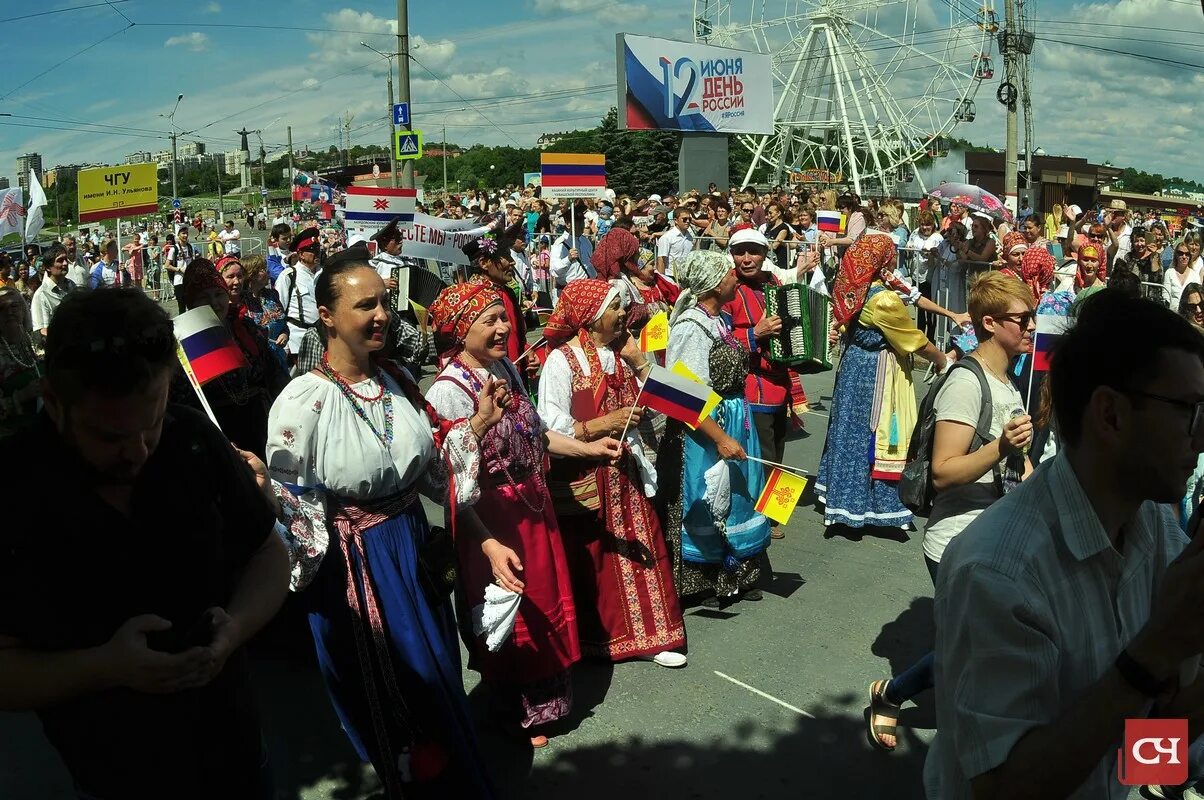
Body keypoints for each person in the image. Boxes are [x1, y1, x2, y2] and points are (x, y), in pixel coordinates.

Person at [0, 287, 289, 798]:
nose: (137, 452)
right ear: (52, 402)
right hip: (117, 774)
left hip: (237, 751)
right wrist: (107, 666)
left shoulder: (193, 439)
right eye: (108, 436)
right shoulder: (15, 490)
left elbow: (268, 552)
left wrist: (236, 627)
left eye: (152, 422)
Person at [924, 291, 1204, 800]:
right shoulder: (998, 573)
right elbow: (1001, 790)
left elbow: (1137, 760)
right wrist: (1155, 652)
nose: (1200, 437)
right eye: (1188, 410)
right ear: (1111, 415)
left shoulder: (1156, 531)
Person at [265, 249, 497, 797]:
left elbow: (432, 467)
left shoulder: (396, 379)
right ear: (326, 315)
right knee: (401, 696)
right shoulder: (302, 403)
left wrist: (478, 426)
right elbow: (294, 506)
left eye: (385, 303)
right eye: (364, 304)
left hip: (413, 545)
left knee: (439, 676)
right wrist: (267, 492)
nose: (382, 315)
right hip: (359, 565)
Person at [425, 281, 619, 747]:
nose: (502, 327)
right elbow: (447, 477)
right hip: (491, 518)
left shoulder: (507, 369)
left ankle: (541, 699)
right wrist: (485, 539)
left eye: (502, 317)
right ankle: (515, 708)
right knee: (510, 611)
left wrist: (588, 448)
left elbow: (539, 435)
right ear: (459, 328)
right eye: (487, 320)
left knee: (543, 602)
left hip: (534, 507)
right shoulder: (448, 391)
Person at [867, 272, 1035, 750]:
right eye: (1021, 319)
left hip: (994, 537)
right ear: (990, 323)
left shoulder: (1005, 377)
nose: (1029, 327)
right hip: (959, 542)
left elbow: (1015, 469)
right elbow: (943, 472)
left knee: (983, 644)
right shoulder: (967, 382)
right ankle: (894, 696)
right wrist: (1002, 447)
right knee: (980, 646)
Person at [536, 279, 688, 665]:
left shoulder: (625, 353)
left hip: (627, 473)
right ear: (591, 317)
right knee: (595, 557)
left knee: (642, 548)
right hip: (586, 475)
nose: (624, 314)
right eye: (615, 307)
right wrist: (606, 423)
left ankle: (654, 636)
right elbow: (549, 424)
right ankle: (598, 641)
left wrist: (640, 363)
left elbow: (679, 402)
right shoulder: (562, 360)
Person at [655, 250, 772, 607]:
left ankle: (738, 571)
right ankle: (704, 578)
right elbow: (680, 392)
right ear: (712, 284)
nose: (736, 276)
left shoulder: (718, 318)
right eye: (729, 273)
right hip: (704, 430)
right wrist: (719, 438)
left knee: (737, 494)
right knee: (708, 495)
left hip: (735, 417)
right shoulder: (691, 327)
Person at [816, 234, 949, 530]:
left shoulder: (852, 286)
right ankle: (871, 507)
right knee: (877, 433)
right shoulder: (884, 299)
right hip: (877, 371)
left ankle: (838, 498)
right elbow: (912, 339)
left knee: (847, 428)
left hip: (852, 364)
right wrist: (943, 359)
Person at [722, 228, 813, 538]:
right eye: (740, 252)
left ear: (764, 254)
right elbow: (717, 341)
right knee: (762, 455)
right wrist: (754, 334)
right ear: (731, 255)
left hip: (779, 384)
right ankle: (760, 514)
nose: (747, 258)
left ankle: (772, 511)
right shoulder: (726, 289)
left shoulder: (774, 284)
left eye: (754, 252)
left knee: (777, 450)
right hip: (750, 385)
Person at [180, 258, 288, 458]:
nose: (214, 303)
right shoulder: (181, 340)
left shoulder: (245, 326)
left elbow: (273, 373)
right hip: (213, 434)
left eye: (218, 294)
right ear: (191, 302)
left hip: (258, 424)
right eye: (204, 297)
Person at [275, 227, 323, 366]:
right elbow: (279, 310)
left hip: (322, 339)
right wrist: (284, 342)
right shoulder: (289, 275)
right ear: (301, 254)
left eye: (318, 249)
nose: (317, 253)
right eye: (312, 250)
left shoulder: (324, 274)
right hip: (298, 340)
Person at [0, 285, 41, 439]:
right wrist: (23, 395)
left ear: (23, 309)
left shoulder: (35, 341)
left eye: (14, 306)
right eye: (1, 308)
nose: (9, 312)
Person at [240, 254, 290, 373]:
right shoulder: (241, 302)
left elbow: (283, 324)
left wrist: (285, 334)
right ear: (251, 275)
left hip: (278, 361)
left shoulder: (272, 295)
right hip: (256, 366)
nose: (267, 271)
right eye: (262, 269)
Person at [31, 247, 75, 340]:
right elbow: (43, 331)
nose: (65, 263)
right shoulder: (41, 295)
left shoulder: (72, 285)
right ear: (48, 267)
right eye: (60, 260)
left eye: (66, 259)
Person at [657, 205, 696, 278]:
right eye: (684, 219)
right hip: (670, 275)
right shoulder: (667, 237)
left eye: (689, 219)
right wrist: (662, 280)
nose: (687, 221)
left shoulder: (691, 237)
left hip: (686, 276)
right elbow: (661, 259)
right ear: (675, 220)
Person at [165, 226, 197, 315]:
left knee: (192, 306)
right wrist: (179, 269)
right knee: (182, 307)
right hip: (179, 281)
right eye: (183, 233)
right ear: (178, 235)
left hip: (190, 281)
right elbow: (167, 265)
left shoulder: (191, 247)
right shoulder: (173, 249)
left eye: (186, 233)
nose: (185, 235)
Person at [1166, 240, 1203, 311]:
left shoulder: (1195, 275)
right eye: (1180, 253)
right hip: (1173, 314)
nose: (1184, 256)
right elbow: (1166, 297)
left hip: (1189, 313)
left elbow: (1198, 298)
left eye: (1187, 254)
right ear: (1176, 255)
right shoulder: (1169, 273)